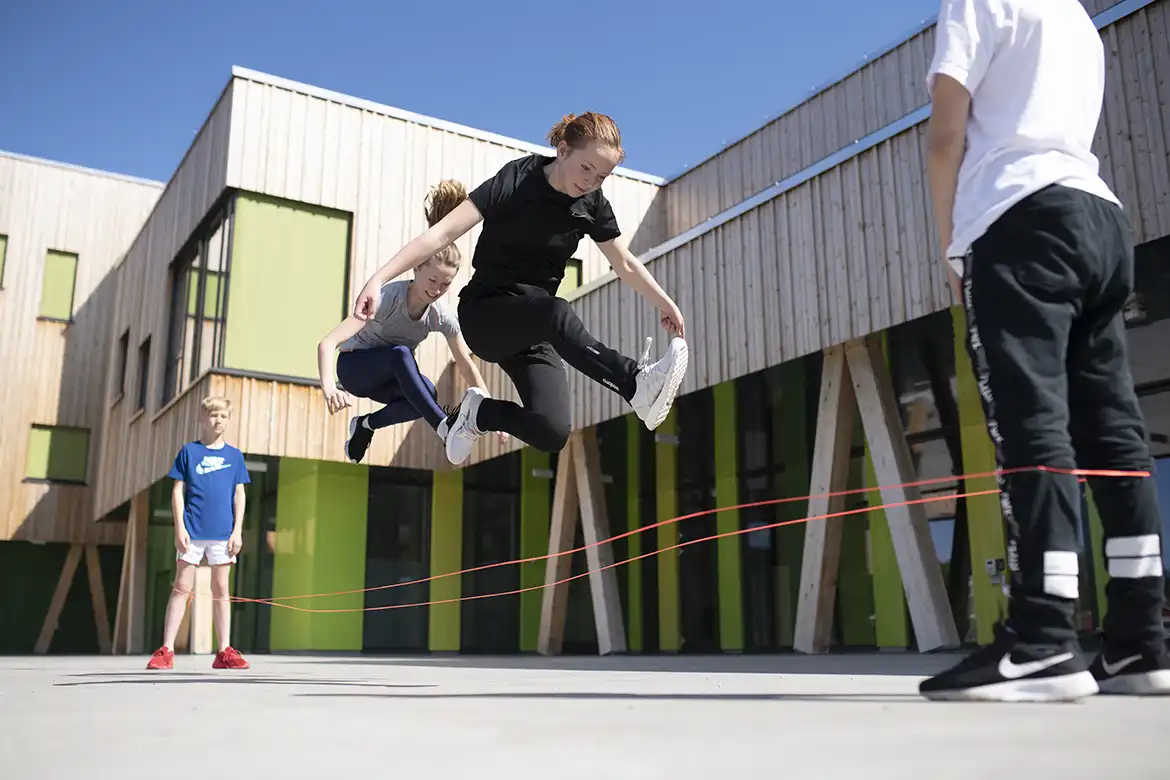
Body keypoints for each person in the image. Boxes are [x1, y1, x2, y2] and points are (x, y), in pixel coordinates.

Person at [921, 0, 1168, 701]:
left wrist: (950, 245)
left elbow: (947, 133)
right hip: (1098, 218)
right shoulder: (1074, 18)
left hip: (1016, 216)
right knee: (1115, 432)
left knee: (1032, 428)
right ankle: (1139, 641)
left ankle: (1042, 638)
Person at [352, 112, 688, 465]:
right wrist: (378, 278)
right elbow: (442, 234)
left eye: (602, 176)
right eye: (586, 168)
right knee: (555, 311)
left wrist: (664, 302)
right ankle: (635, 384)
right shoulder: (518, 178)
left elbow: (624, 262)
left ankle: (478, 415)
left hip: (532, 328)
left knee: (552, 431)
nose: (590, 182)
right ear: (563, 151)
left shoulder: (591, 205)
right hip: (486, 314)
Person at [317, 179, 505, 463]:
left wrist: (491, 411)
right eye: (432, 280)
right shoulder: (387, 299)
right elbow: (328, 342)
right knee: (401, 354)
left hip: (388, 381)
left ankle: (365, 426)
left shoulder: (440, 315)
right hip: (354, 368)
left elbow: (466, 364)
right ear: (416, 269)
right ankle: (444, 426)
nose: (436, 290)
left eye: (445, 284)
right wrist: (329, 387)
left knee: (427, 392)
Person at [147, 396, 251, 671]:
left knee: (221, 589)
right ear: (202, 419)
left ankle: (224, 651)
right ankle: (166, 650)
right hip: (192, 530)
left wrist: (237, 531)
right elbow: (177, 491)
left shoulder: (234, 456)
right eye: (213, 415)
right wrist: (179, 526)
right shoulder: (189, 452)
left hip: (223, 533)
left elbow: (239, 494)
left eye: (223, 416)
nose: (218, 421)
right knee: (182, 587)